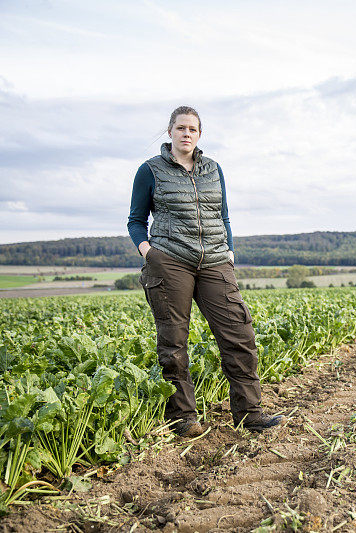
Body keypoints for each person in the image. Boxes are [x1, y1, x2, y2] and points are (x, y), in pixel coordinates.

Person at [127, 105, 283, 437]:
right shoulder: (150, 170)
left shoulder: (213, 169)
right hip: (170, 260)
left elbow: (222, 214)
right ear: (169, 131)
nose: (186, 134)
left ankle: (249, 412)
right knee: (174, 343)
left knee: (239, 335)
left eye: (192, 129)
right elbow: (135, 220)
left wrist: (228, 250)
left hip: (214, 260)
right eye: (180, 128)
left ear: (199, 134)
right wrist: (149, 253)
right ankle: (183, 418)